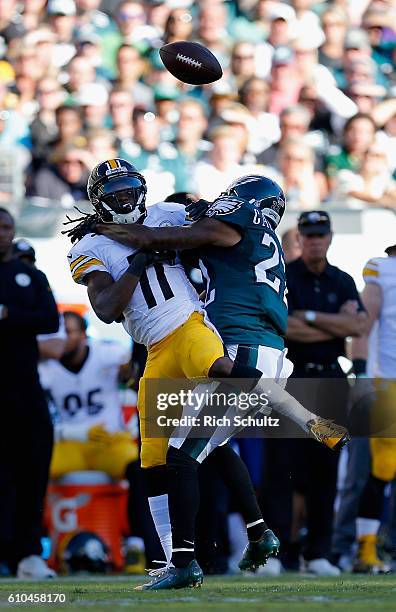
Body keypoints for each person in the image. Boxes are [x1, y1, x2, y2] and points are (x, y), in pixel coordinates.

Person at [93, 170, 350, 589]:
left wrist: (106, 226)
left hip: (242, 347)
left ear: (243, 200)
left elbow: (160, 241)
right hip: (256, 347)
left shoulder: (239, 219)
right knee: (214, 445)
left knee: (180, 455)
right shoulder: (254, 237)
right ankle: (259, 531)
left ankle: (183, 562)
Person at [64, 159, 291, 586]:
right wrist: (139, 260)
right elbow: (108, 308)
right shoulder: (87, 245)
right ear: (99, 201)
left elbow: (215, 218)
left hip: (189, 323)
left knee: (209, 400)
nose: (127, 200)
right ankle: (179, 557)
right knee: (160, 456)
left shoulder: (167, 214)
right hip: (154, 347)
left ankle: (275, 394)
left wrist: (194, 211)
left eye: (132, 190)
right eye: (116, 195)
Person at [280, 210, 366, 575]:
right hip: (293, 380)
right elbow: (283, 326)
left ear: (329, 238)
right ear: (299, 238)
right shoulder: (285, 275)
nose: (314, 241)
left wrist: (310, 318)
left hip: (331, 379)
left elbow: (359, 325)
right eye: (308, 235)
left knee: (325, 471)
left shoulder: (343, 279)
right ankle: (281, 554)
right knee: (283, 471)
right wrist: (334, 326)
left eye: (320, 235)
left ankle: (319, 553)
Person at [0, 207, 59, 578]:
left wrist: (8, 314)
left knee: (32, 471)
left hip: (25, 389)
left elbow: (50, 319)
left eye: (6, 227)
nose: (2, 233)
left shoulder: (30, 275)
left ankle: (28, 554)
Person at [348, 244, 396, 573]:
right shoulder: (383, 269)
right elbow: (363, 325)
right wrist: (362, 372)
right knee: (384, 466)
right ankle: (365, 550)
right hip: (387, 380)